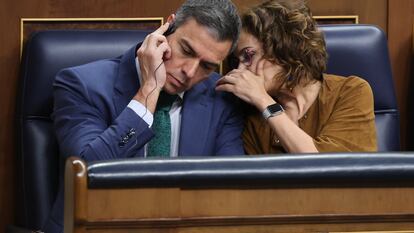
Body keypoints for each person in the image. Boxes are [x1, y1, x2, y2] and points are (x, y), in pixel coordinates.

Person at [43, 0, 243, 231]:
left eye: (207, 66)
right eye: (186, 50)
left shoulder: (221, 100)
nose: (189, 72)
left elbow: (231, 188)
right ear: (165, 30)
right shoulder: (81, 85)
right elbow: (89, 173)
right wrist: (149, 90)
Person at [216, 0, 377, 153]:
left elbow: (332, 170)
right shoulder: (249, 113)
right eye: (237, 60)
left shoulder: (351, 91)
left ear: (283, 48)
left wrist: (265, 102)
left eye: (248, 55)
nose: (241, 69)